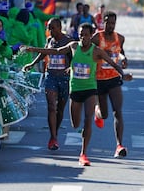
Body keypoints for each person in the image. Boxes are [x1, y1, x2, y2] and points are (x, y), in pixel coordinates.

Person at [24, 23, 132, 166]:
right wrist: (33, 50)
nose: (83, 37)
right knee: (75, 124)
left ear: (90, 36)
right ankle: (90, 121)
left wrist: (123, 75)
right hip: (75, 90)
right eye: (81, 34)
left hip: (90, 89)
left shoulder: (97, 51)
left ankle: (83, 154)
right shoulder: (73, 46)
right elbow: (55, 51)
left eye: (86, 35)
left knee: (87, 120)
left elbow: (113, 63)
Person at [23, 18, 74, 150]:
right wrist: (32, 64)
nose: (50, 31)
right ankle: (53, 137)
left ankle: (55, 132)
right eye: (49, 28)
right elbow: (44, 52)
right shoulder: (49, 40)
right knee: (52, 107)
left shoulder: (68, 41)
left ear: (59, 27)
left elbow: (75, 57)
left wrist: (71, 68)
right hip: (51, 76)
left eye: (53, 28)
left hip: (64, 79)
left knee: (60, 109)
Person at [91, 11, 129, 159]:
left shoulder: (119, 38)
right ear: (103, 22)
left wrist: (124, 58)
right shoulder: (96, 37)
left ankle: (119, 145)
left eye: (113, 23)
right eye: (108, 22)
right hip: (99, 80)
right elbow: (86, 51)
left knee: (117, 111)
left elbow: (120, 52)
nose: (110, 26)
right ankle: (97, 111)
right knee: (105, 114)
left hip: (113, 78)